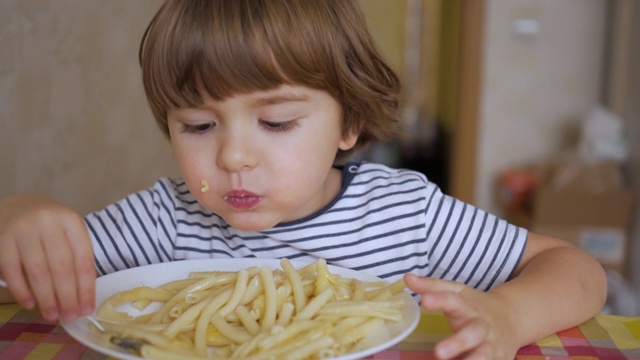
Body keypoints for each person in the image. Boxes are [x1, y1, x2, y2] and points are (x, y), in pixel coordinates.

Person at [0, 1, 606, 359]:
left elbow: (579, 272)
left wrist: (509, 316)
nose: (234, 155)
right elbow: (27, 275)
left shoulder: (403, 214)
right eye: (198, 125)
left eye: (276, 121)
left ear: (351, 122)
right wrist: (18, 216)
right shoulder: (163, 217)